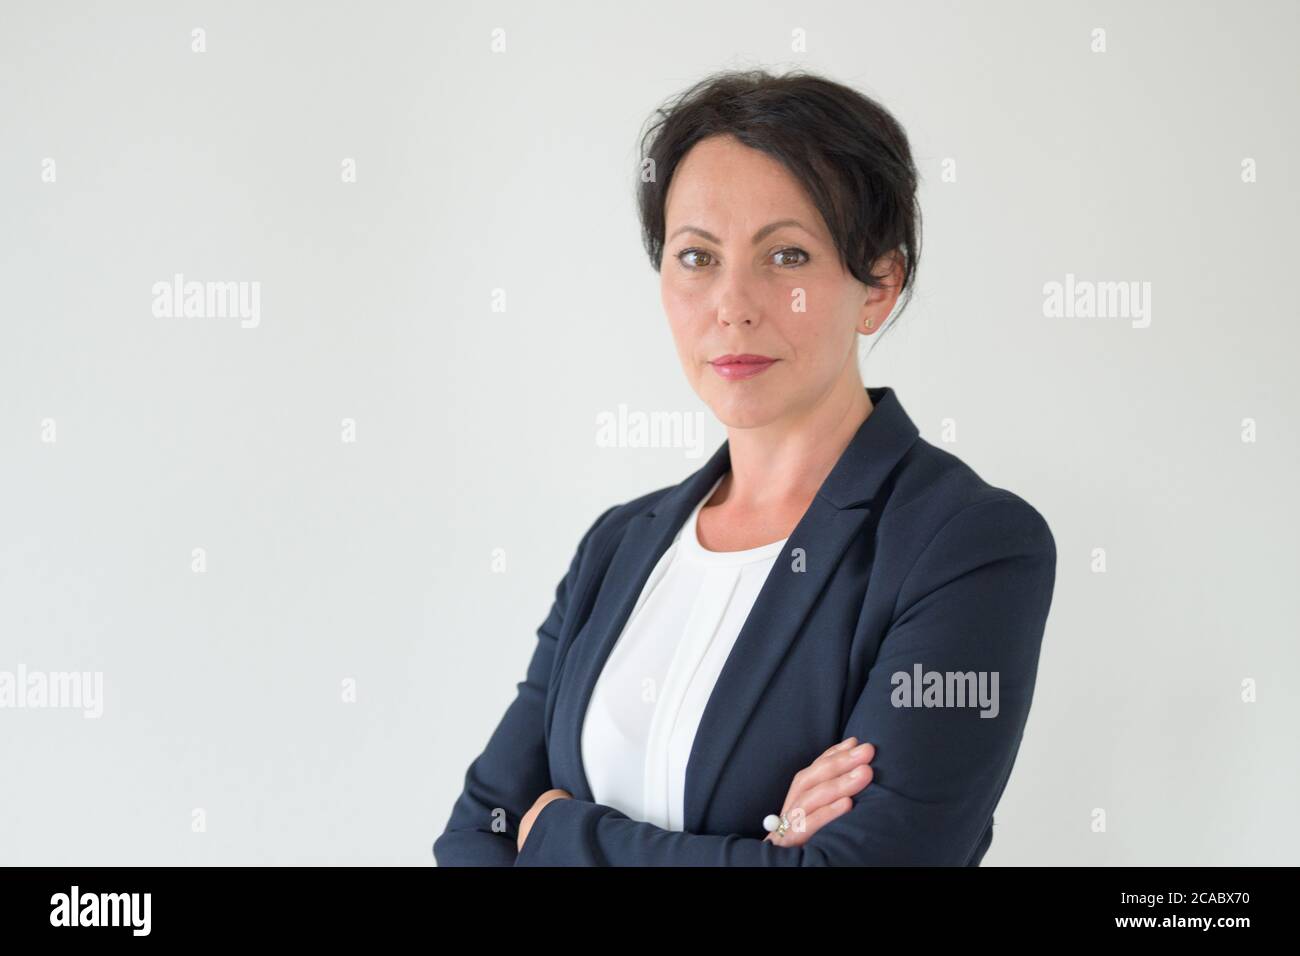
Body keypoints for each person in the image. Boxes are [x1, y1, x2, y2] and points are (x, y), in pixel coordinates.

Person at [434, 68, 1057, 866]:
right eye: (697, 257)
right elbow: (476, 835)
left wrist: (556, 834)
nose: (734, 303)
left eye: (787, 255)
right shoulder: (619, 545)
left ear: (879, 285)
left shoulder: (967, 545)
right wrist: (764, 848)